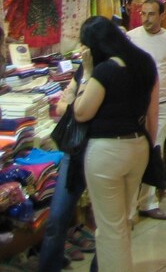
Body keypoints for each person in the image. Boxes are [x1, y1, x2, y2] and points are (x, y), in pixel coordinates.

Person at [73, 16, 158, 272]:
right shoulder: (144, 62)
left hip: (107, 152)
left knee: (110, 229)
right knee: (122, 222)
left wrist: (86, 75)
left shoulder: (105, 70)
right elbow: (151, 111)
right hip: (137, 146)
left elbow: (81, 112)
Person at [127, 0, 166, 221]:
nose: (146, 19)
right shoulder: (131, 37)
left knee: (155, 149)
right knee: (135, 151)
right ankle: (130, 205)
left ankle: (148, 201)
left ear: (161, 16)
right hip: (137, 103)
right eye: (143, 14)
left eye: (151, 14)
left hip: (161, 104)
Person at [39, 67, 92, 272]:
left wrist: (77, 104)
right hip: (76, 150)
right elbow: (63, 107)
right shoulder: (84, 70)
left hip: (103, 152)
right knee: (57, 216)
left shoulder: (110, 71)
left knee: (104, 223)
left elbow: (78, 109)